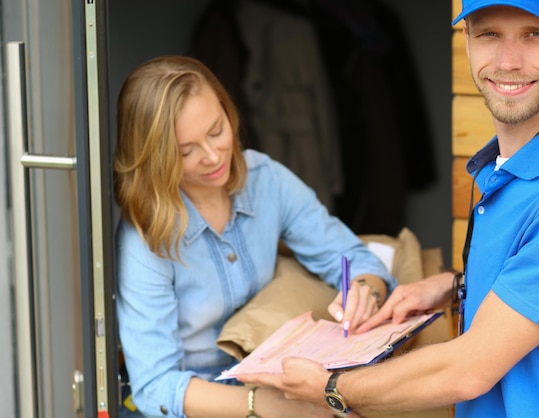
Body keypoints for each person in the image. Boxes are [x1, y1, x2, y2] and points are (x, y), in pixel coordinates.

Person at [239, 1, 539, 417]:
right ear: (467, 41)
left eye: (535, 34)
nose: (508, 61)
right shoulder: (512, 164)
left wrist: (331, 388)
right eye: (489, 34)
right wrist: (456, 286)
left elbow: (469, 369)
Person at [113, 54, 397, 418]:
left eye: (217, 130)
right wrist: (260, 405)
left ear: (228, 111)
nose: (214, 156)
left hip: (270, 380)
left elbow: (353, 258)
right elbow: (155, 388)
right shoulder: (145, 235)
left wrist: (365, 289)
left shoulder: (267, 180)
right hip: (196, 401)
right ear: (155, 158)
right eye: (186, 151)